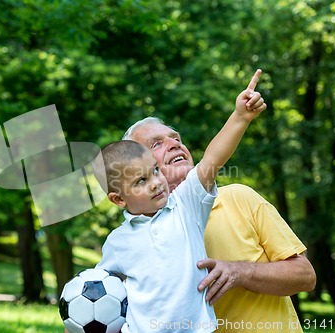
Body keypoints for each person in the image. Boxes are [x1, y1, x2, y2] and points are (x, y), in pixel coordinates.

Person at [122, 84, 316, 331]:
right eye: (156, 144)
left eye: (176, 138)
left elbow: (305, 276)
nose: (174, 144)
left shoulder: (239, 197)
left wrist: (240, 272)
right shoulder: (135, 239)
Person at [92, 70, 266, 333]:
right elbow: (96, 293)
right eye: (140, 181)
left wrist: (240, 117)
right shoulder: (117, 242)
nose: (155, 182)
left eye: (154, 171)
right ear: (118, 199)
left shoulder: (186, 207)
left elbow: (212, 159)